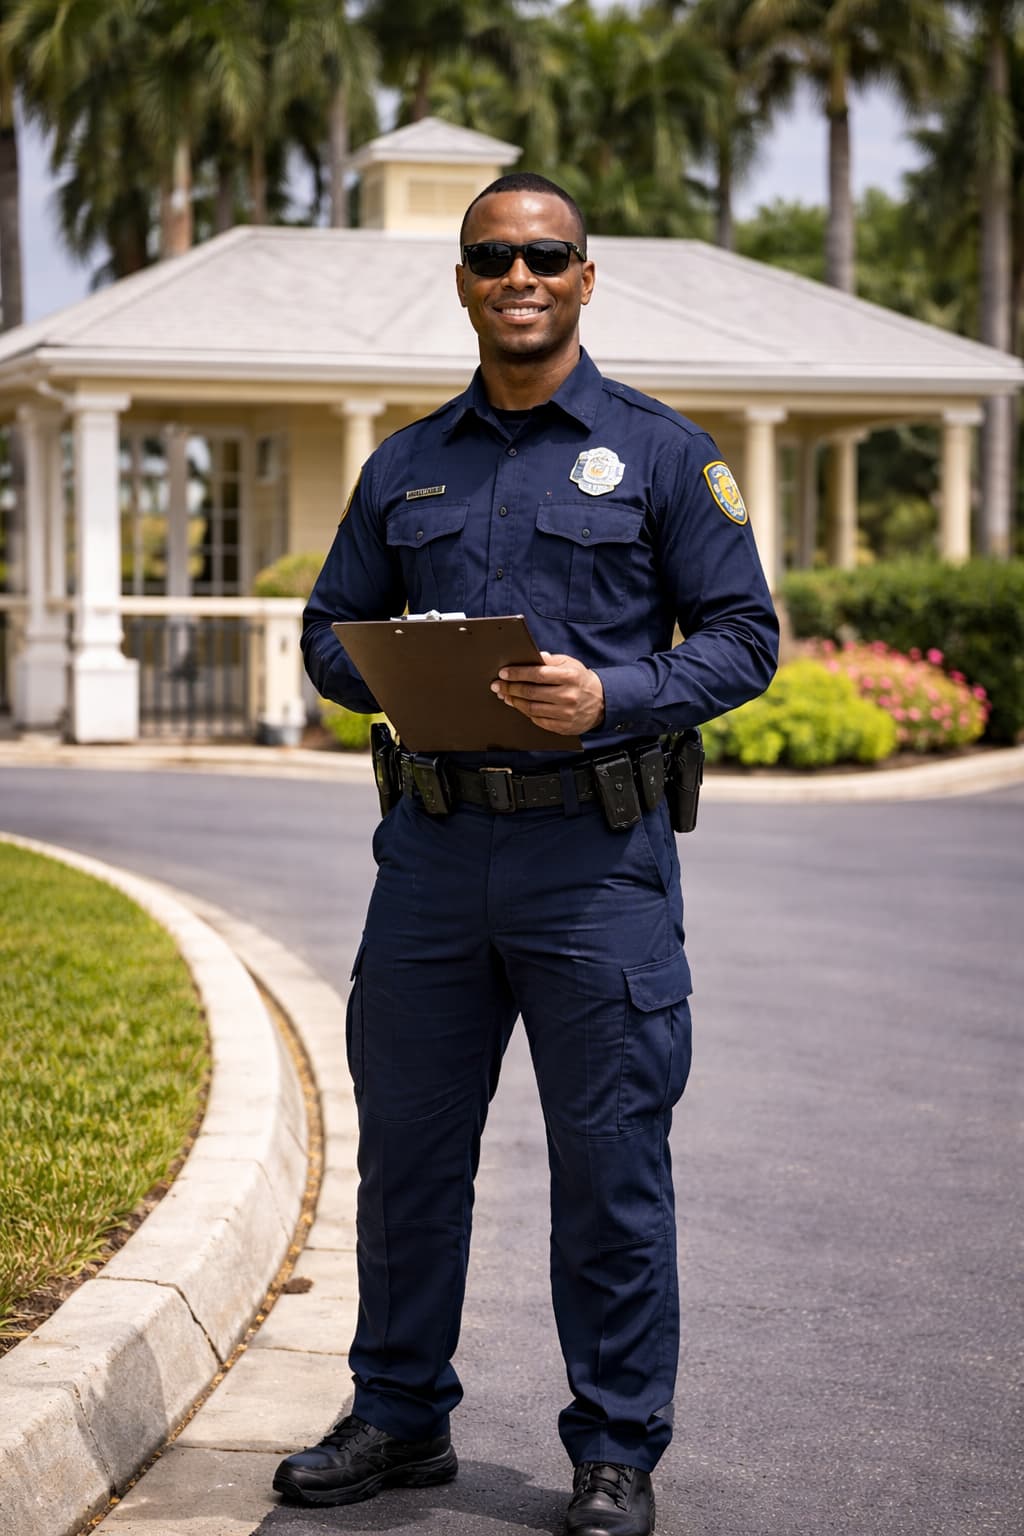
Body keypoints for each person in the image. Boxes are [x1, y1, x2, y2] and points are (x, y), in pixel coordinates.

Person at [274, 172, 778, 1535]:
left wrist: (614, 694)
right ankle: (397, 1416)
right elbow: (326, 627)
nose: (520, 275)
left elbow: (745, 636)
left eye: (546, 254)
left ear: (584, 277)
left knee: (609, 1165)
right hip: (432, 859)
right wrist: (387, 671)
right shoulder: (406, 463)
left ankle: (615, 1447)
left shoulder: (665, 455)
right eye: (493, 255)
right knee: (414, 1155)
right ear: (462, 281)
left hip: (595, 867)